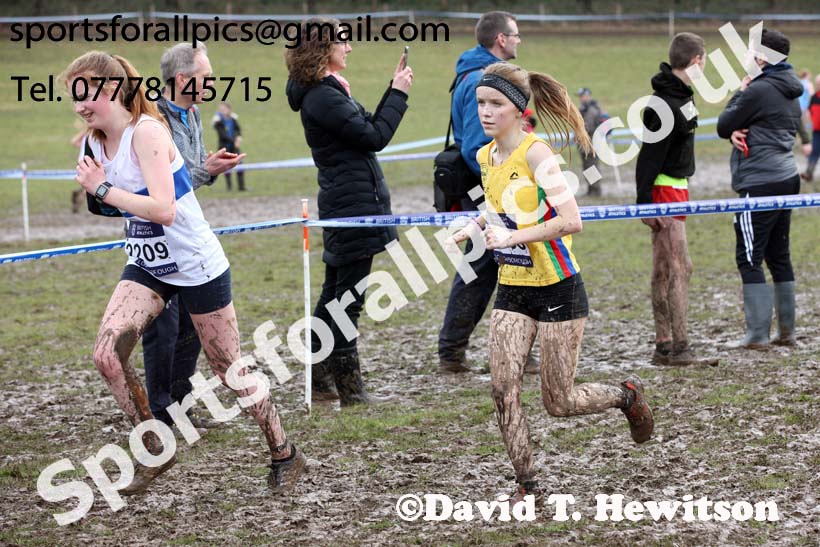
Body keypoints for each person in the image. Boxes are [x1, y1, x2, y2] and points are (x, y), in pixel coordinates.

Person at [63, 51, 305, 494]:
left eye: (87, 93)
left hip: (196, 264)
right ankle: (153, 449)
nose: (79, 105)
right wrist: (99, 193)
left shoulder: (148, 133)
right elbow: (112, 203)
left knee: (227, 368)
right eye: (73, 96)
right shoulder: (93, 142)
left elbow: (165, 210)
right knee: (105, 355)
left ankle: (284, 451)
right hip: (148, 263)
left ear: (114, 89)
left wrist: (102, 188)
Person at [446, 61, 654, 502]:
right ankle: (528, 485)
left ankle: (625, 397)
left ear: (519, 109)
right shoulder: (486, 156)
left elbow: (571, 221)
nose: (485, 112)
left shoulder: (538, 154)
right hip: (514, 285)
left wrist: (513, 235)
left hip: (559, 286)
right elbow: (499, 209)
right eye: (480, 103)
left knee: (559, 402)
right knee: (502, 390)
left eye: (495, 104)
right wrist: (474, 224)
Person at [285, 18, 413, 405]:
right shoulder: (323, 96)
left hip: (348, 202)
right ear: (323, 49)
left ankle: (320, 381)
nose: (350, 48)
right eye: (344, 42)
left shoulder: (325, 92)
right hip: (351, 206)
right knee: (348, 301)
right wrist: (398, 93)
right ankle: (350, 390)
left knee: (333, 296)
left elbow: (364, 131)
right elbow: (375, 137)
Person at [142, 43, 246, 435]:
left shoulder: (195, 113)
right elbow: (172, 182)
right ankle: (159, 417)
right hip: (155, 238)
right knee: (162, 329)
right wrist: (203, 171)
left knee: (189, 326)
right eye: (207, 76)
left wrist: (209, 168)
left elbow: (190, 176)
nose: (213, 83)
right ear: (183, 79)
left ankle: (181, 406)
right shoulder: (154, 120)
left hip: (186, 236)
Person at [439, 11, 534, 375]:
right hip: (491, 187)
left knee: (497, 266)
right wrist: (506, 178)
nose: (519, 40)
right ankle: (453, 350)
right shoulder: (485, 78)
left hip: (490, 185)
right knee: (488, 267)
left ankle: (461, 349)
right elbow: (476, 144)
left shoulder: (470, 73)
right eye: (515, 34)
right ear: (500, 39)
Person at [717, 28, 803, 348]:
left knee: (749, 256)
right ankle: (788, 332)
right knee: (779, 254)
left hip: (760, 181)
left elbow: (725, 123)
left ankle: (756, 334)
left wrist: (740, 91)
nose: (747, 58)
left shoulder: (758, 90)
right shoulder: (791, 88)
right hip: (787, 176)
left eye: (751, 52)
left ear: (763, 58)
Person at [635, 33, 707, 366]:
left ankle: (663, 347)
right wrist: (645, 201)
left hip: (678, 186)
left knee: (665, 268)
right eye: (704, 61)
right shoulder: (663, 104)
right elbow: (648, 157)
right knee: (679, 266)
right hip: (664, 190)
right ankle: (679, 347)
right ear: (696, 60)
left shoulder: (682, 97)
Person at [576, 87, 607, 196]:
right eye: (580, 96)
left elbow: (587, 127)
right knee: (587, 167)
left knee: (591, 167)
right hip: (585, 144)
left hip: (591, 144)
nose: (581, 98)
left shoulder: (591, 110)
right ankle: (591, 189)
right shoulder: (584, 109)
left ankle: (595, 189)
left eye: (583, 96)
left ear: (588, 96)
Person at [212, 101, 247, 191]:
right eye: (221, 109)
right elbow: (223, 135)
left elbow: (238, 129)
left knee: (240, 164)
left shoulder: (233, 119)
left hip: (235, 147)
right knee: (226, 167)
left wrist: (239, 137)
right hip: (224, 147)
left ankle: (241, 186)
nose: (222, 111)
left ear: (229, 109)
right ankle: (229, 187)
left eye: (224, 109)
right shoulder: (218, 121)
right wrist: (234, 140)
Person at [801, 74, 820, 182]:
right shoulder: (814, 97)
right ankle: (809, 173)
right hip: (816, 131)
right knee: (814, 151)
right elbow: (809, 111)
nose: (818, 85)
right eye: (818, 83)